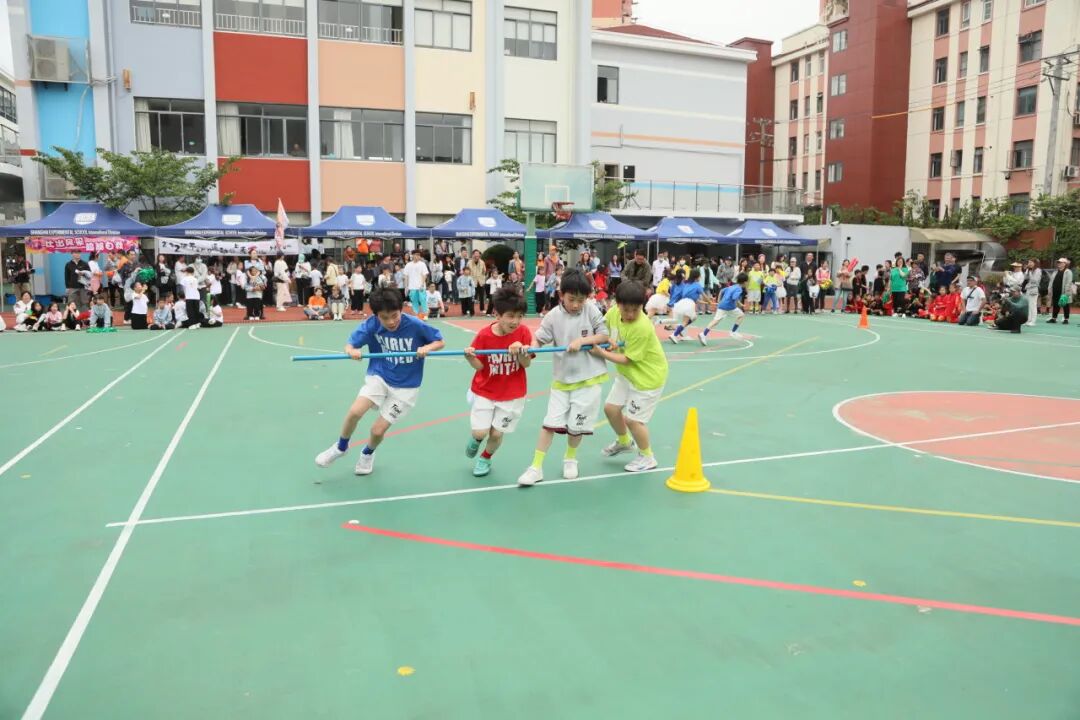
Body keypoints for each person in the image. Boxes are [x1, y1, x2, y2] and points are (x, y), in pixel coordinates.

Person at [314, 288, 445, 476]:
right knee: (355, 411)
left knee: (377, 431)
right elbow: (350, 345)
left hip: (406, 388)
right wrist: (352, 351)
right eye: (384, 317)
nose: (391, 321)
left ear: (401, 310)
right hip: (380, 376)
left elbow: (440, 341)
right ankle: (341, 447)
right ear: (376, 315)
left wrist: (428, 347)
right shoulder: (372, 324)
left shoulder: (415, 324)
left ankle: (367, 453)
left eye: (395, 315)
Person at [517, 269, 610, 487]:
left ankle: (570, 458)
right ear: (561, 295)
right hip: (562, 380)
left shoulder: (591, 309)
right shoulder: (552, 316)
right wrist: (530, 348)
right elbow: (539, 339)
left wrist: (582, 341)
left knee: (576, 426)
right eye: (571, 299)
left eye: (580, 300)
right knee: (549, 424)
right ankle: (535, 467)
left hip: (588, 380)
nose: (576, 304)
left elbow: (604, 335)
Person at [585, 281, 668, 473]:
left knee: (633, 420)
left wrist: (602, 353)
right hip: (627, 375)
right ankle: (624, 442)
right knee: (611, 409)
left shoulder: (642, 327)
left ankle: (647, 457)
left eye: (635, 310)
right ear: (617, 304)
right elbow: (603, 330)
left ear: (642, 307)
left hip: (647, 378)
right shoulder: (613, 313)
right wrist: (608, 339)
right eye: (626, 309)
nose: (630, 315)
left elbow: (627, 359)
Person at [463, 288, 534, 477]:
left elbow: (526, 364)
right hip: (485, 391)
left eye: (520, 316)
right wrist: (470, 357)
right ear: (497, 314)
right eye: (510, 316)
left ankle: (485, 458)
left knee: (496, 434)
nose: (515, 321)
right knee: (480, 433)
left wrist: (520, 351)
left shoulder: (523, 333)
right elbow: (479, 366)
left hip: (513, 394)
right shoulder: (484, 335)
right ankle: (476, 440)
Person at [700, 271, 748, 343]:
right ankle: (733, 332)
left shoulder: (732, 286)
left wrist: (719, 301)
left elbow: (722, 291)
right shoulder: (739, 289)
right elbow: (734, 297)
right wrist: (738, 304)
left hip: (722, 306)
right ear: (745, 282)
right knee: (741, 315)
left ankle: (703, 334)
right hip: (729, 307)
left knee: (715, 321)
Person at [667, 268, 707, 344]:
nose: (700, 277)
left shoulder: (686, 284)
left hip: (682, 303)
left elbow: (691, 297)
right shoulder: (697, 285)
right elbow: (704, 296)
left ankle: (679, 330)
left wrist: (704, 302)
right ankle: (674, 335)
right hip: (688, 304)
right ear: (697, 277)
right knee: (685, 321)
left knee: (694, 317)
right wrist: (709, 301)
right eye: (700, 276)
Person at [403, 249, 430, 319]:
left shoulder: (422, 264)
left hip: (421, 287)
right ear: (412, 255)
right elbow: (406, 276)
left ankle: (425, 317)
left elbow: (425, 275)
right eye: (416, 255)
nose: (418, 256)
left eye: (419, 255)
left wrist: (422, 284)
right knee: (414, 302)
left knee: (423, 300)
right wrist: (406, 286)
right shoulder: (408, 265)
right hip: (412, 287)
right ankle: (416, 318)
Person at [1047, 257, 1073, 324]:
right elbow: (1051, 281)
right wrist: (1049, 289)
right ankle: (1054, 318)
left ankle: (1066, 319)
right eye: (1058, 262)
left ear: (1064, 264)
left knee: (1065, 305)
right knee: (1055, 305)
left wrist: (1066, 293)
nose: (1058, 263)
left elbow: (1068, 282)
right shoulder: (1055, 272)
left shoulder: (1068, 272)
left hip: (1064, 292)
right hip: (1055, 291)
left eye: (1060, 262)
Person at [1023, 259, 1042, 326]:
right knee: (1028, 305)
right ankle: (1028, 320)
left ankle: (1033, 321)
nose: (1029, 263)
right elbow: (1025, 278)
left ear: (1035, 263)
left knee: (1033, 305)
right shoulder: (1029, 270)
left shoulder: (1038, 270)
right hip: (1028, 289)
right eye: (1029, 262)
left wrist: (1030, 273)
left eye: (1031, 262)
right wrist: (1027, 270)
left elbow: (1035, 280)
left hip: (1034, 289)